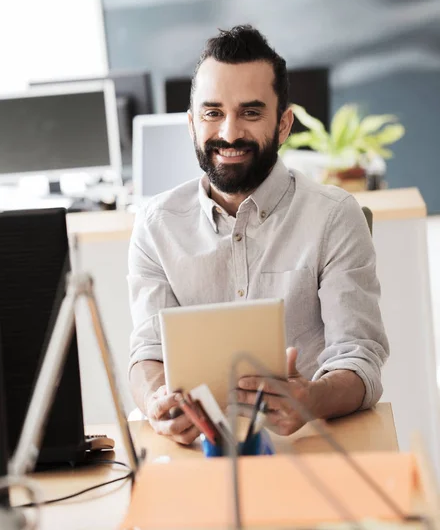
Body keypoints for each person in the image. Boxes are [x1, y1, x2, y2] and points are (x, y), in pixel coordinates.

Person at [128, 25, 389, 445]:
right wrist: (156, 401)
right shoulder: (155, 224)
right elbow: (147, 352)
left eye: (250, 113)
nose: (229, 133)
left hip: (308, 443)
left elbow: (360, 359)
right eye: (213, 113)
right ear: (192, 124)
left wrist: (313, 398)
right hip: (198, 452)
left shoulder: (335, 216)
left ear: (283, 125)